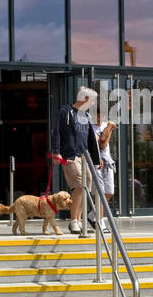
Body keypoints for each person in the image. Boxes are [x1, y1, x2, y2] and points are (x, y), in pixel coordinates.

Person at [49, 86, 100, 234]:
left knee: (87, 185)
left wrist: (97, 158)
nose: (92, 104)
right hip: (70, 155)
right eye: (91, 101)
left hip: (85, 156)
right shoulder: (66, 111)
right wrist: (56, 152)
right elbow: (57, 131)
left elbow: (91, 138)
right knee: (78, 185)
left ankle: (78, 220)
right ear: (84, 99)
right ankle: (73, 221)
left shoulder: (86, 116)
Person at [93, 113, 116, 226]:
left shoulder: (106, 126)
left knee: (109, 191)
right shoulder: (90, 127)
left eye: (101, 116)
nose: (100, 119)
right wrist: (110, 127)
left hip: (108, 162)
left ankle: (93, 215)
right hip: (97, 163)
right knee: (101, 192)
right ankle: (100, 222)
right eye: (97, 116)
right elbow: (102, 143)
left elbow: (105, 142)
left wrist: (108, 128)